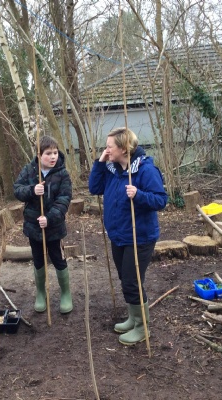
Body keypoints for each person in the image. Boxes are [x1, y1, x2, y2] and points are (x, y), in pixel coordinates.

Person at [88, 127, 167, 346]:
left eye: (110, 147)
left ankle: (142, 327)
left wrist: (138, 194)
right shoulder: (112, 169)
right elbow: (94, 188)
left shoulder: (145, 170)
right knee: (126, 279)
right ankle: (133, 318)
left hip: (139, 237)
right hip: (118, 235)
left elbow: (161, 200)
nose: (107, 150)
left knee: (132, 282)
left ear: (123, 148)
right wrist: (100, 163)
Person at [14, 135, 73, 314]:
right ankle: (41, 293)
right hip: (33, 227)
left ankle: (65, 293)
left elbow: (64, 199)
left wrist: (50, 218)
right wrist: (32, 190)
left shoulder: (62, 174)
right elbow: (17, 190)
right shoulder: (29, 170)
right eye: (48, 153)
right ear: (39, 155)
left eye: (55, 152)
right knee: (38, 260)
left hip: (54, 227)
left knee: (58, 259)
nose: (53, 156)